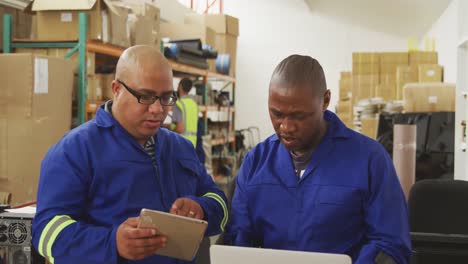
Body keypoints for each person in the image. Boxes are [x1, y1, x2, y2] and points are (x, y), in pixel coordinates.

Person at [32, 45, 228, 264]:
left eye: (166, 98)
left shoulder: (180, 147)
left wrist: (201, 208)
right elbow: (45, 233)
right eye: (145, 97)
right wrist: (111, 243)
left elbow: (219, 202)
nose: (157, 109)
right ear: (116, 89)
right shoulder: (75, 150)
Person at [225, 55, 411, 263]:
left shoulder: (370, 160)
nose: (286, 127)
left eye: (298, 116)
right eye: (277, 114)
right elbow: (237, 238)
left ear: (325, 101)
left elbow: (390, 245)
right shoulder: (256, 162)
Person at [171, 78, 199, 147]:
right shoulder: (194, 104)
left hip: (181, 144)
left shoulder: (179, 104)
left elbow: (180, 128)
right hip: (192, 144)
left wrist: (169, 131)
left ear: (180, 86)